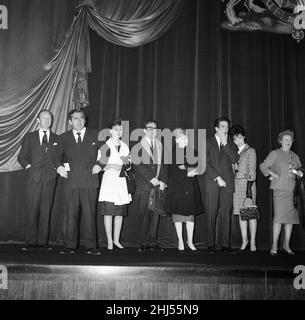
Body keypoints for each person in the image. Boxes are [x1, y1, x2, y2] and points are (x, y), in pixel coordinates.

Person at [57, 109, 102, 255]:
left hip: (90, 180)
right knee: (71, 215)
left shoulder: (96, 135)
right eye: (75, 118)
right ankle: (70, 245)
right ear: (70, 121)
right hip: (71, 181)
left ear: (85, 120)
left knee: (90, 215)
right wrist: (58, 167)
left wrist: (100, 164)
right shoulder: (63, 137)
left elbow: (108, 152)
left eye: (81, 118)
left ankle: (91, 245)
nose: (79, 121)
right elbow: (56, 157)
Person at [18, 110, 61, 251]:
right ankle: (30, 241)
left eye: (49, 117)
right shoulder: (29, 137)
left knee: (46, 211)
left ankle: (43, 242)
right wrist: (29, 167)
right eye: (44, 117)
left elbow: (59, 158)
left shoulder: (57, 138)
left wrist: (57, 169)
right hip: (34, 179)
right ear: (38, 120)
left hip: (50, 180)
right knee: (32, 210)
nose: (47, 120)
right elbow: (22, 157)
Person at [260, 130, 303, 256]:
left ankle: (286, 244)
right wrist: (272, 174)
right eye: (285, 140)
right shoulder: (275, 153)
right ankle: (274, 245)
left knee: (290, 220)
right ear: (280, 141)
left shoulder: (295, 156)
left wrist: (300, 174)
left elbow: (300, 171)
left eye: (290, 140)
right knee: (278, 219)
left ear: (293, 141)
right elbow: (263, 166)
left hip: (293, 191)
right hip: (279, 190)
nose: (288, 142)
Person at [203, 117, 239, 253]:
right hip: (212, 183)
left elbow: (235, 158)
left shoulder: (230, 143)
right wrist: (217, 178)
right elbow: (205, 163)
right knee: (211, 215)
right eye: (223, 126)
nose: (226, 129)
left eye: (227, 127)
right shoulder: (207, 142)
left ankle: (225, 244)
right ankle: (210, 245)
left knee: (226, 215)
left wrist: (225, 145)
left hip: (228, 184)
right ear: (216, 128)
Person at [166, 129, 204, 252]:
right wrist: (187, 171)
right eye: (182, 138)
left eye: (186, 138)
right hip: (177, 187)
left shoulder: (193, 152)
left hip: (190, 187)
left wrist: (185, 168)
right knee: (177, 216)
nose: (185, 140)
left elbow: (199, 167)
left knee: (190, 217)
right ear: (176, 140)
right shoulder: (171, 153)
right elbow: (173, 171)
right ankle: (181, 241)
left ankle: (190, 241)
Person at [133, 120, 167, 252]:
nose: (153, 130)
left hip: (158, 185)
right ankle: (143, 242)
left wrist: (163, 180)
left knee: (155, 215)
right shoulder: (137, 147)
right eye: (150, 128)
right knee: (144, 215)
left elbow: (164, 165)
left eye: (155, 128)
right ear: (144, 130)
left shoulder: (160, 145)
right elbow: (138, 165)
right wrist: (151, 178)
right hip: (144, 185)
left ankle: (153, 242)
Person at [98, 119, 132, 251]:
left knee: (119, 212)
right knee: (109, 212)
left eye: (121, 129)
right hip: (110, 181)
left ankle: (116, 240)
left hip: (121, 181)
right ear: (111, 131)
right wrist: (111, 165)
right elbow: (99, 165)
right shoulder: (106, 146)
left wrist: (128, 164)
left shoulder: (124, 146)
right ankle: (109, 241)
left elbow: (128, 166)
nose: (119, 132)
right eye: (116, 129)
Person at [230, 125, 258, 252]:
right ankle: (244, 240)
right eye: (235, 139)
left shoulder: (250, 151)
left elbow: (252, 171)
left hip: (248, 185)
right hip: (236, 186)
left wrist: (249, 189)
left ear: (244, 137)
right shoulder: (232, 152)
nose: (237, 141)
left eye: (239, 138)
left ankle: (252, 242)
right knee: (242, 215)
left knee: (251, 215)